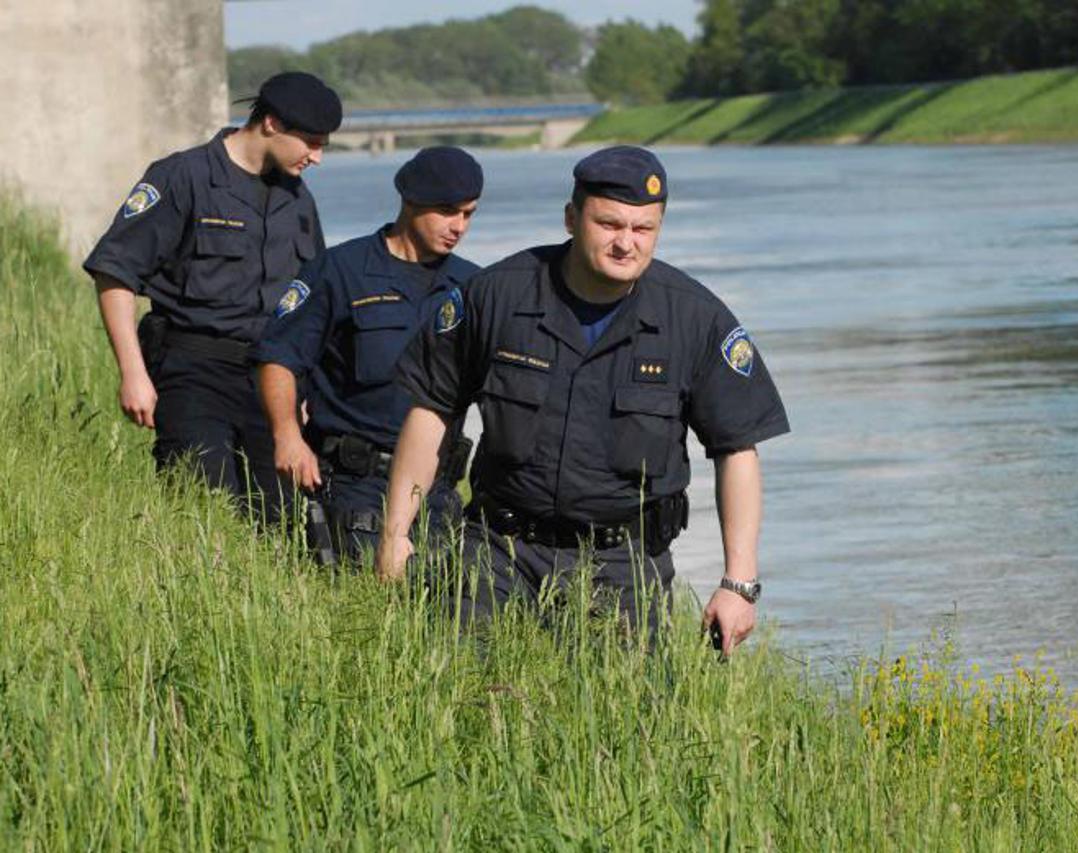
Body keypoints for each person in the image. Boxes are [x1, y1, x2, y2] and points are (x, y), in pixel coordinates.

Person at [375, 145, 789, 655]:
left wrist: (738, 583)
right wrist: (396, 532)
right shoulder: (497, 296)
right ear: (571, 218)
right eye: (610, 225)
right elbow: (433, 410)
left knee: (622, 725)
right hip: (496, 554)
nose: (626, 244)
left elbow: (737, 449)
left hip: (622, 568)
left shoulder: (695, 319)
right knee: (465, 703)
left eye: (643, 229)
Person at [83, 71, 342, 523]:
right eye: (312, 143)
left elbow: (308, 305)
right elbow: (115, 275)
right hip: (193, 372)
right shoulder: (183, 176)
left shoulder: (297, 199)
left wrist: (307, 393)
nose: (318, 158)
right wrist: (133, 374)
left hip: (272, 383)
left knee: (278, 523)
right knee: (203, 514)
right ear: (272, 125)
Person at [253, 147, 484, 563]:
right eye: (448, 212)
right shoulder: (340, 271)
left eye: (468, 214)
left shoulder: (473, 285)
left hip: (437, 491)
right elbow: (279, 357)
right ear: (410, 202)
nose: (459, 226)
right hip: (355, 485)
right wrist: (287, 436)